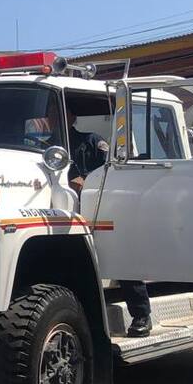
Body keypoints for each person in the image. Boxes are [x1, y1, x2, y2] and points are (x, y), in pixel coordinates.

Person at [67, 110, 152, 337]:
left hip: (100, 209)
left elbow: (111, 171)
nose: (52, 117)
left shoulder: (92, 141)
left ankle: (141, 315)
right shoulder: (43, 146)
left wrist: (86, 181)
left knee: (121, 257)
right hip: (64, 215)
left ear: (71, 116)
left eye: (57, 112)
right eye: (49, 113)